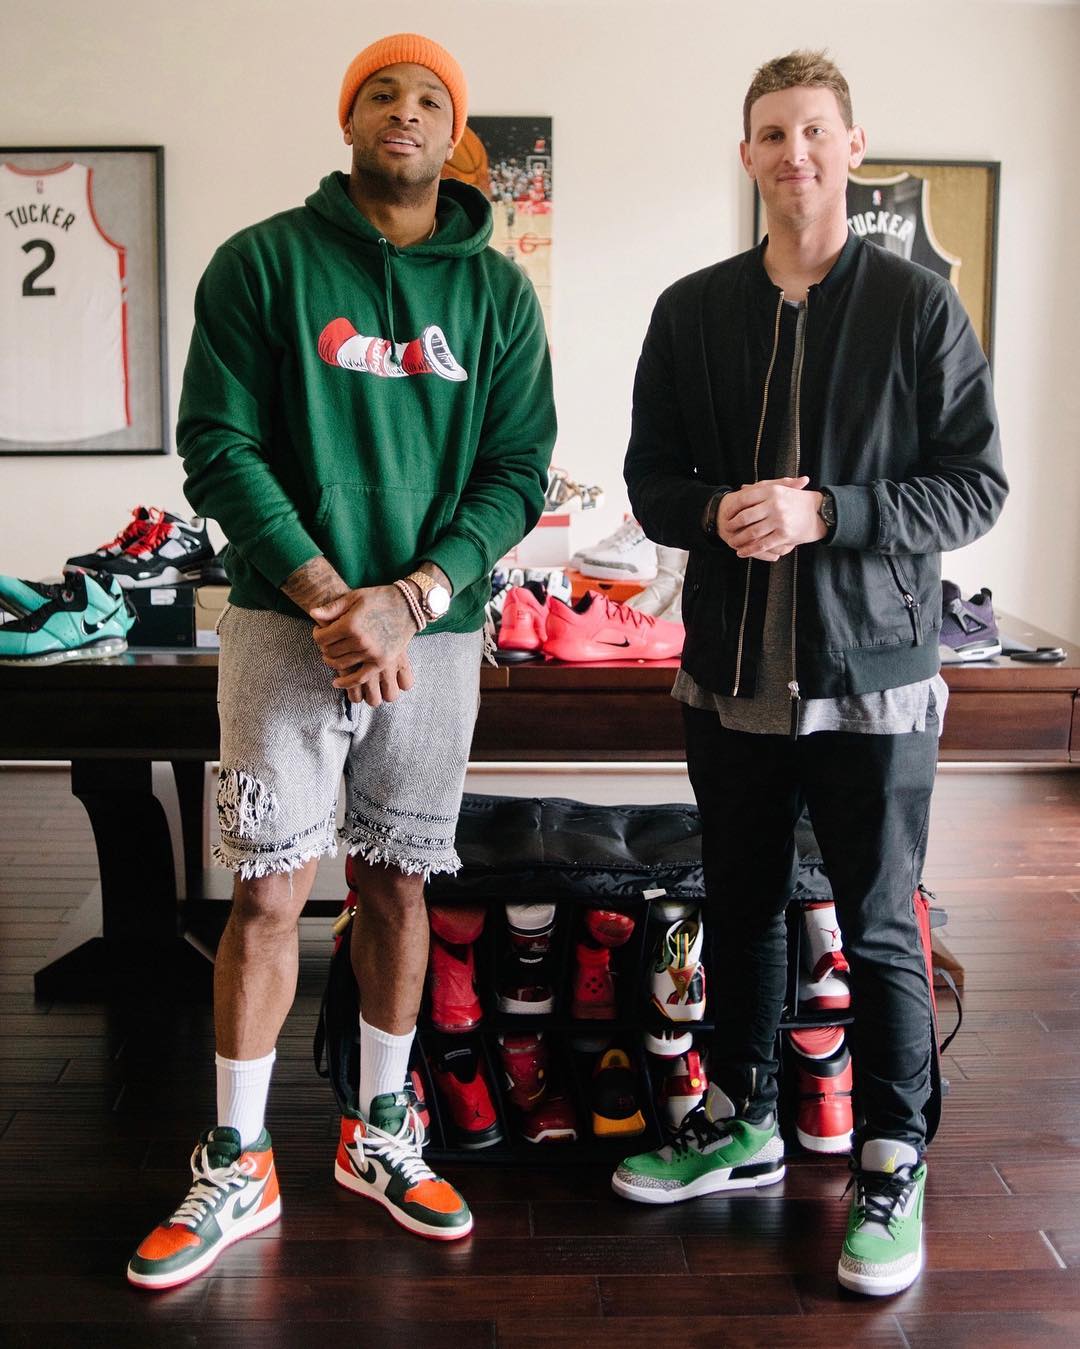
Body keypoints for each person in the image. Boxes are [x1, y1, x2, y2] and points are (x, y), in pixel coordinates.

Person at [127, 32, 555, 1290]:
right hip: (282, 624)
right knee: (268, 893)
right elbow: (217, 442)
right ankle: (238, 1156)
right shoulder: (262, 262)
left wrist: (410, 600)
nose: (404, 111)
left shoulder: (499, 296)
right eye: (381, 93)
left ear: (454, 133)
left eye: (428, 98)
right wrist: (328, 596)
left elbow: (518, 469)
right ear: (349, 118)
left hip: (435, 637)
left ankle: (379, 1132)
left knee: (397, 887)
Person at [615, 50, 1005, 1297]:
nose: (796, 152)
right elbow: (650, 479)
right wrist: (713, 510)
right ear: (747, 154)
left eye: (816, 131)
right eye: (774, 133)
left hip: (874, 675)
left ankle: (893, 1155)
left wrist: (829, 511)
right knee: (739, 905)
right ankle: (743, 1117)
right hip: (730, 675)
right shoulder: (692, 310)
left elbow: (976, 484)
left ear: (852, 147)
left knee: (879, 923)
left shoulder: (918, 308)